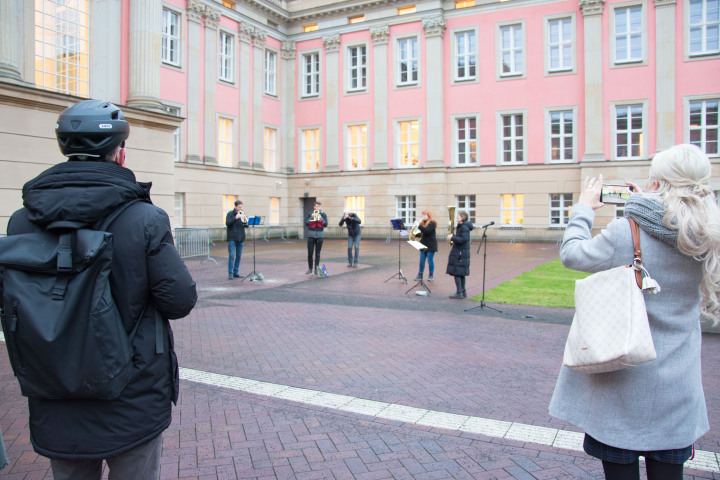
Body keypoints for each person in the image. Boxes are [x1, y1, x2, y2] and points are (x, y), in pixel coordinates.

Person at [5, 99, 198, 480]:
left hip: (53, 385)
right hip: (131, 390)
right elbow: (178, 300)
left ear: (64, 148)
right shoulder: (144, 217)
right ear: (120, 153)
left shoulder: (21, 221)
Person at [549, 144, 720, 480]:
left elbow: (571, 254)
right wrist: (647, 205)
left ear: (656, 184)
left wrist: (583, 207)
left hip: (623, 382)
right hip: (677, 387)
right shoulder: (708, 235)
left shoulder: (626, 231)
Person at [446, 210, 474, 298]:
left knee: (457, 272)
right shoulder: (461, 226)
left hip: (460, 252)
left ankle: (459, 292)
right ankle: (462, 291)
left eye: (458, 216)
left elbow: (463, 239)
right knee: (460, 272)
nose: (456, 217)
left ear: (462, 217)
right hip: (460, 251)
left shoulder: (464, 227)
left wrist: (453, 237)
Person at [413, 210, 438, 282]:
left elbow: (427, 231)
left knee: (430, 261)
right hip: (423, 244)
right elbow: (422, 233)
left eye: (425, 215)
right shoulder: (422, 223)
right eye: (422, 215)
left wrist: (418, 225)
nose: (423, 216)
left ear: (428, 216)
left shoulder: (432, 223)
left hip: (430, 245)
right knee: (421, 261)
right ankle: (420, 274)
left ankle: (431, 275)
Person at [225, 200, 247, 279]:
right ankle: (230, 273)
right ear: (235, 207)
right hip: (232, 238)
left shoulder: (242, 213)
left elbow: (246, 225)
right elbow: (227, 223)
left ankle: (236, 272)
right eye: (239, 207)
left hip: (240, 238)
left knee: (238, 256)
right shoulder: (230, 214)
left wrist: (245, 220)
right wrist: (235, 218)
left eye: (241, 207)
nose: (241, 208)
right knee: (231, 256)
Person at [306, 201, 328, 275]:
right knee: (310, 253)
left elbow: (325, 224)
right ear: (314, 207)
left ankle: (316, 269)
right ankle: (310, 269)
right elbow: (306, 223)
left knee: (317, 254)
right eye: (316, 206)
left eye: (319, 206)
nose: (318, 208)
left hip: (319, 235)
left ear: (320, 207)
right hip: (311, 235)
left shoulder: (323, 214)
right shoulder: (310, 213)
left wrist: (321, 218)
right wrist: (311, 217)